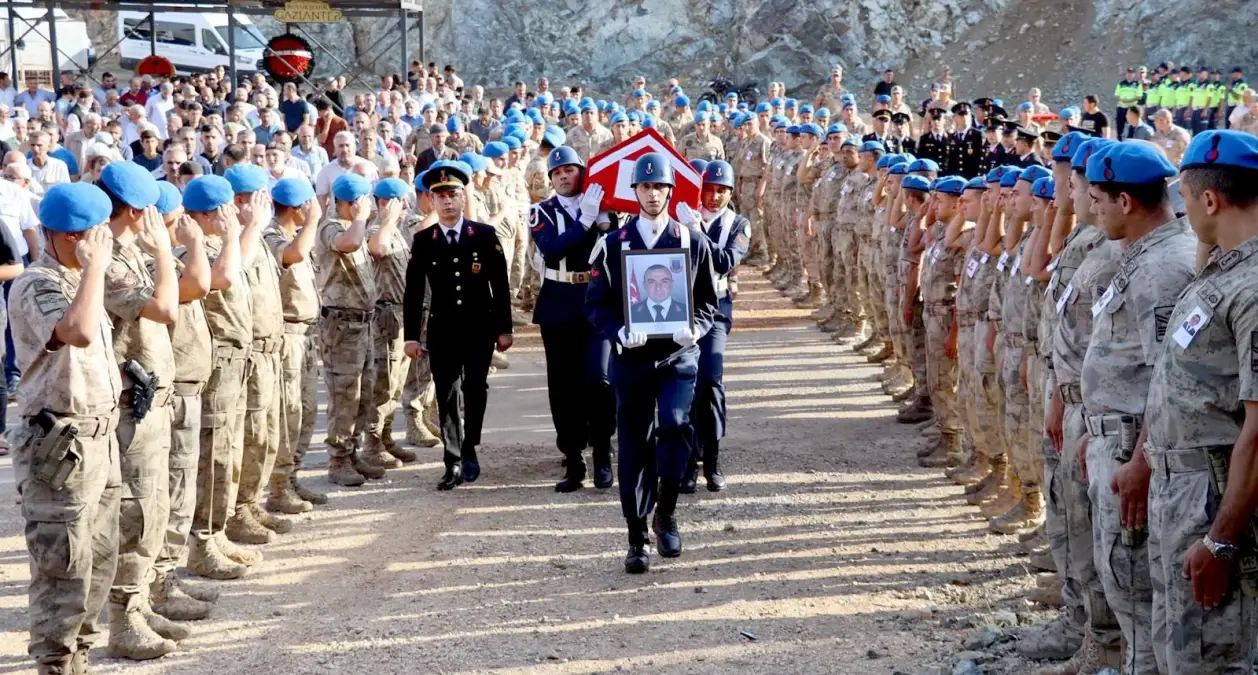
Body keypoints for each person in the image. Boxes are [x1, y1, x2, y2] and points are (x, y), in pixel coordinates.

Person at [1080, 140, 1197, 674]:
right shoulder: (1144, 256)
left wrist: (1141, 462)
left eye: (1098, 199)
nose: (1090, 209)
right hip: (1118, 440)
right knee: (1124, 584)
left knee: (1140, 591)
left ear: (1125, 201)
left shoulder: (1164, 268)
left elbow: (1165, 379)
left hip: (1137, 448)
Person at [1146, 130, 1258, 674]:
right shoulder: (1224, 268)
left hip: (1214, 501)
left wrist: (1221, 542)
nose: (1182, 210)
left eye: (1185, 198)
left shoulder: (1253, 286)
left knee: (1212, 659)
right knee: (1178, 650)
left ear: (1209, 200)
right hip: (1184, 491)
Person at [585, 152, 719, 573]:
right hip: (632, 358)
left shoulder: (690, 240)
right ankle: (636, 535)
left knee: (677, 427)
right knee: (634, 443)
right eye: (645, 187)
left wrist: (694, 329)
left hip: (677, 355)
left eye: (659, 186)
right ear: (635, 192)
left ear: (669, 190)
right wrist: (618, 332)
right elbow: (596, 304)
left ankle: (667, 511)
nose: (652, 193)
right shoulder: (612, 245)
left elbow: (708, 302)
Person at [11, 182, 122, 675]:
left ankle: (80, 653)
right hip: (59, 443)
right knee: (63, 565)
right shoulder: (38, 282)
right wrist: (94, 268)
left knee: (99, 558)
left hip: (98, 436)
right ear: (59, 235)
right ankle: (55, 662)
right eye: (84, 235)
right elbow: (75, 331)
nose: (93, 243)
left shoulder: (81, 277)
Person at [95, 161, 183, 659]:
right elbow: (165, 309)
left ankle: (141, 601)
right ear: (134, 209)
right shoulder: (109, 259)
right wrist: (166, 253)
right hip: (132, 404)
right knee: (136, 511)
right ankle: (122, 618)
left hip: (149, 396)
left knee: (154, 507)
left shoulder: (126, 251)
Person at [403, 161, 514, 490]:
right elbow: (413, 293)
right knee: (447, 394)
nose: (447, 201)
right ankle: (452, 460)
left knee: (475, 388)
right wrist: (411, 337)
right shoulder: (424, 240)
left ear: (463, 197)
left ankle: (469, 446)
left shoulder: (483, 235)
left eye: (452, 194)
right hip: (443, 330)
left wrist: (504, 329)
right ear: (431, 202)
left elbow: (500, 284)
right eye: (440, 196)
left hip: (480, 328)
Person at [528, 146, 616, 492]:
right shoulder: (542, 211)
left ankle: (603, 451)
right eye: (557, 172)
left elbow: (616, 245)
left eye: (570, 170)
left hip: (595, 299)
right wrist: (585, 220)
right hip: (559, 300)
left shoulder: (602, 206)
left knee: (599, 379)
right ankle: (574, 457)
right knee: (563, 385)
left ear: (583, 173)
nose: (564, 176)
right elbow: (552, 249)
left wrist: (605, 220)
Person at [315, 173, 389, 486]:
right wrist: (359, 218)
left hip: (364, 322)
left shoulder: (354, 225)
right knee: (345, 395)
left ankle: (353, 451)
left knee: (364, 393)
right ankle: (338, 459)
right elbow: (351, 243)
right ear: (352, 202)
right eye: (364, 201)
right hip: (342, 325)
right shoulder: (332, 226)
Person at [263, 178, 327, 513]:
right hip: (287, 335)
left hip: (305, 335)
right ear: (296, 207)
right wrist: (314, 219)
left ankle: (292, 478)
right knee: (289, 413)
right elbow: (293, 255)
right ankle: (278, 487)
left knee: (305, 411)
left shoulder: (294, 234)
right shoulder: (274, 235)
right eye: (307, 206)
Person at [687, 160, 749, 493]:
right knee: (682, 379)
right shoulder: (680, 216)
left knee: (710, 377)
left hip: (715, 309)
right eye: (708, 189)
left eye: (721, 190)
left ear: (730, 192)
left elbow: (725, 261)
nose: (713, 197)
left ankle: (712, 457)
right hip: (682, 307)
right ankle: (685, 459)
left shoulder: (738, 224)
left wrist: (696, 233)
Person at [362, 177, 421, 468]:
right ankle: (372, 444)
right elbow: (377, 249)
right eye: (400, 202)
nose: (406, 207)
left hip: (400, 313)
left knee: (396, 384)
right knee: (383, 384)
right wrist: (386, 219)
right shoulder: (377, 229)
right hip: (385, 315)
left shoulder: (396, 231)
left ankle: (385, 437)